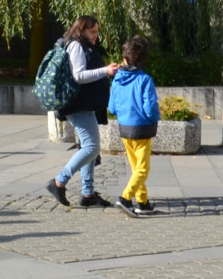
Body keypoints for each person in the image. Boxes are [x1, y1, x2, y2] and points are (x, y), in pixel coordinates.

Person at [44, 15, 118, 209]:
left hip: (85, 104)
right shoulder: (76, 45)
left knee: (90, 149)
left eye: (97, 32)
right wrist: (105, 71)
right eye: (92, 32)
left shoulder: (81, 45)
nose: (96, 36)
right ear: (81, 30)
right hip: (78, 105)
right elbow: (78, 76)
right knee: (91, 148)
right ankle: (58, 182)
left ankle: (88, 194)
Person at [109, 35, 160, 217]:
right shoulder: (145, 80)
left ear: (124, 58)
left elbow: (112, 107)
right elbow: (150, 107)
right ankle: (125, 198)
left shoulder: (117, 80)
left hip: (124, 128)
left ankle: (143, 202)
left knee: (136, 167)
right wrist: (155, 119)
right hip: (142, 128)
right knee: (143, 168)